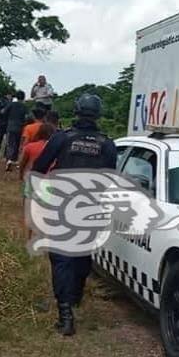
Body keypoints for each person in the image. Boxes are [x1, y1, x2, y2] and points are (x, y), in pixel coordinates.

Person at [32, 94, 118, 336]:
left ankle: (65, 313)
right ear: (98, 115)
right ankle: (77, 295)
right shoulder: (107, 143)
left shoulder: (62, 137)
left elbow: (39, 167)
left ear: (77, 111)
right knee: (82, 253)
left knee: (60, 258)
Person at [4, 90, 29, 171]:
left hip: (11, 126)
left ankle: (8, 161)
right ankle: (14, 160)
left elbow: (3, 112)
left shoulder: (11, 104)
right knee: (18, 145)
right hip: (20, 128)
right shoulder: (24, 107)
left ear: (16, 97)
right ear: (23, 97)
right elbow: (27, 118)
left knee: (10, 144)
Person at [0, 92, 13, 159]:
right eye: (9, 95)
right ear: (6, 95)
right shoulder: (7, 103)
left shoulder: (2, 102)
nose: (10, 97)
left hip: (3, 122)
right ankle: (3, 154)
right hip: (5, 122)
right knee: (5, 139)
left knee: (0, 138)